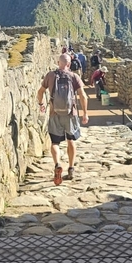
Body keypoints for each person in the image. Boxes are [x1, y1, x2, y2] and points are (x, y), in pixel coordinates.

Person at [37, 53, 89, 184]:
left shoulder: (50, 75)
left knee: (55, 143)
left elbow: (40, 91)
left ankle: (57, 164)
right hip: (71, 113)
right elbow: (83, 96)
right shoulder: (74, 76)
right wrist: (85, 113)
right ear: (69, 64)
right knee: (71, 140)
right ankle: (71, 168)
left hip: (55, 114)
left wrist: (41, 104)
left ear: (58, 62)